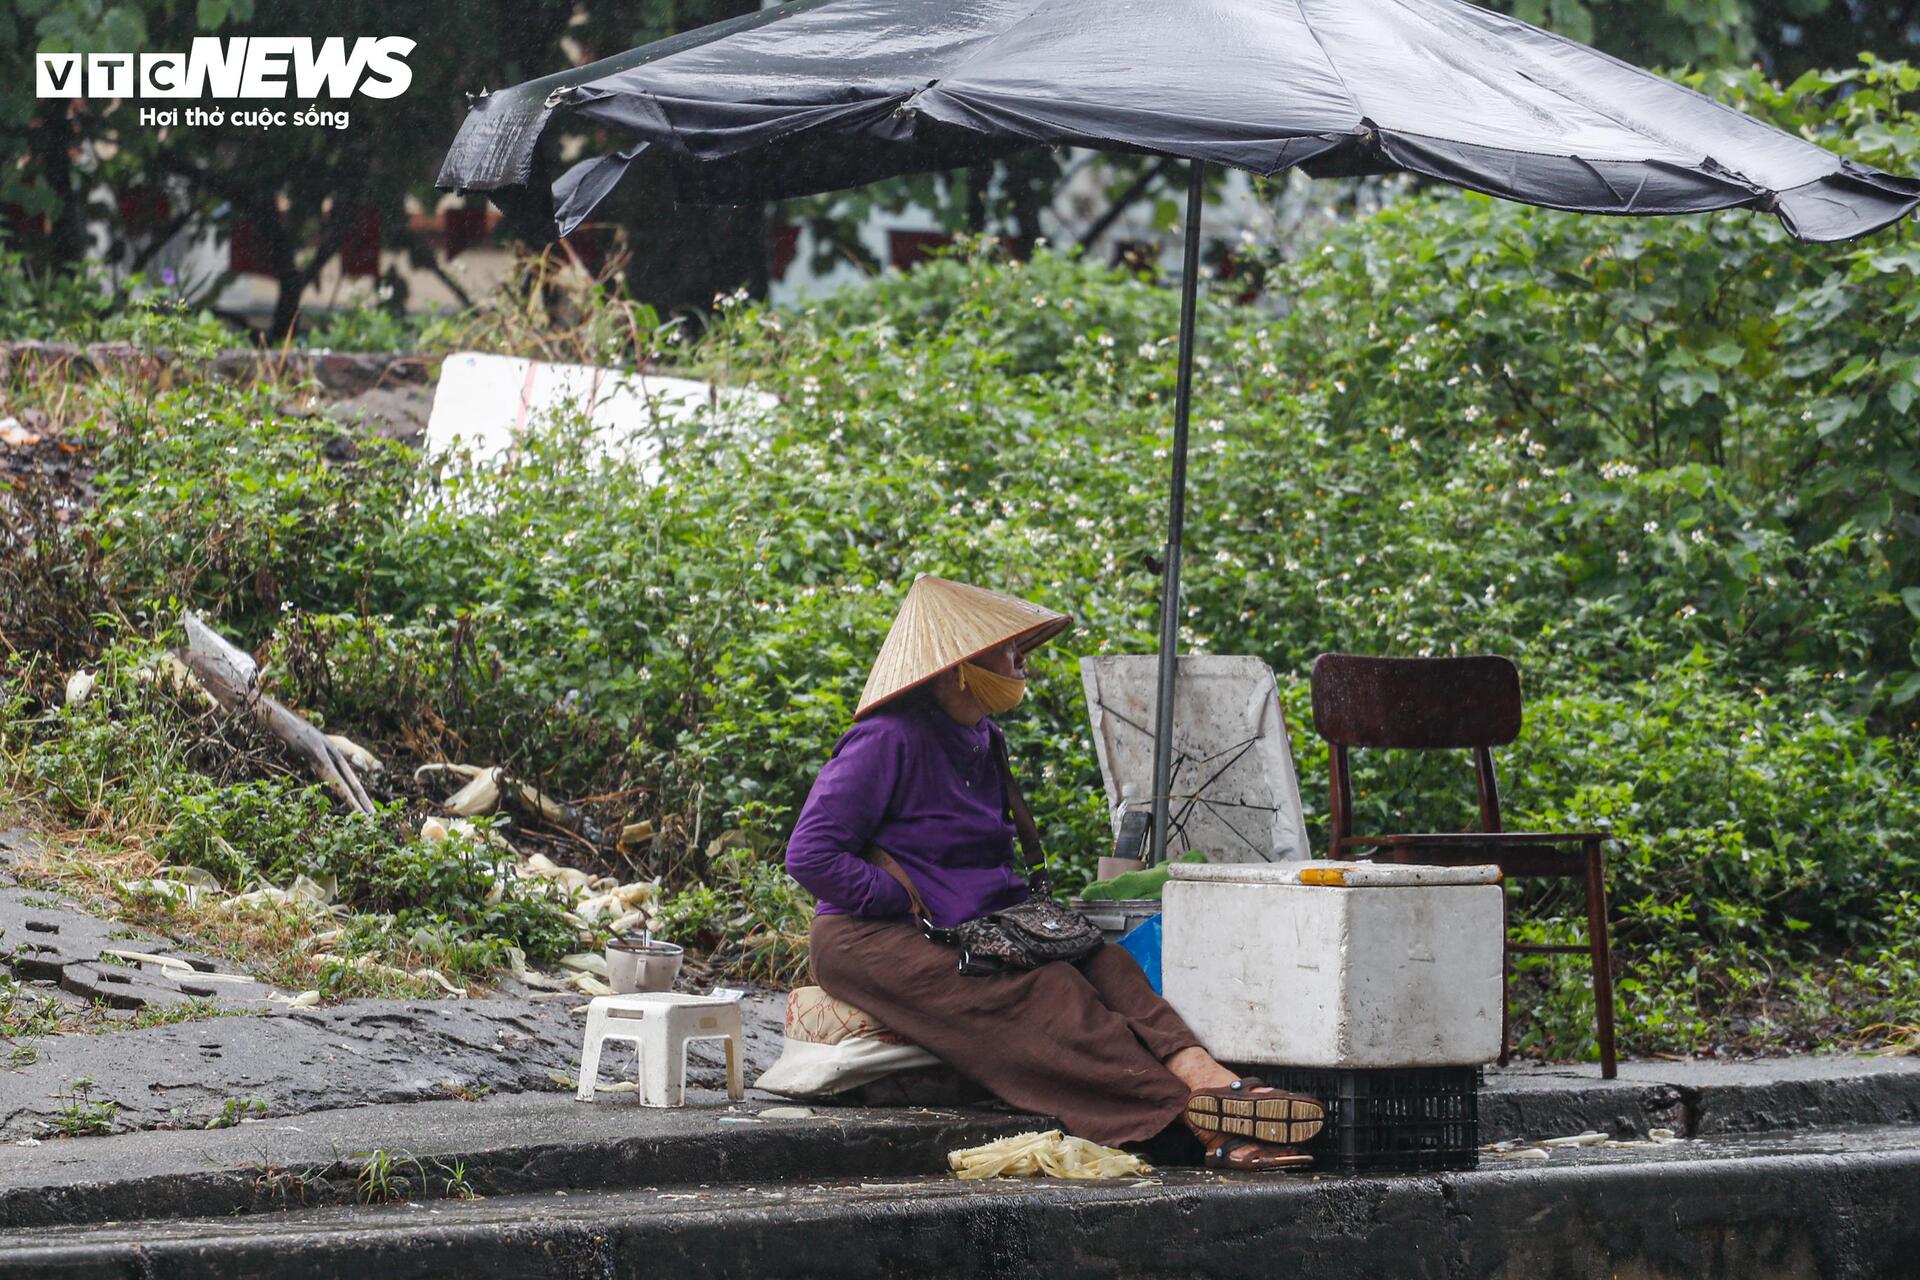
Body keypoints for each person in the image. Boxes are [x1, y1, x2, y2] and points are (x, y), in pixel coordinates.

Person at [786, 575, 1323, 1170]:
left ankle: (1206, 1077)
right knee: (1048, 991)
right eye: (1007, 650)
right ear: (961, 665)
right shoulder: (885, 739)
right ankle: (1183, 1122)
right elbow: (810, 854)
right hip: (871, 935)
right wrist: (896, 897)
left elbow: (982, 860)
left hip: (975, 924)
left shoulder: (983, 738)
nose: (1022, 664)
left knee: (1103, 962)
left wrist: (1038, 926)